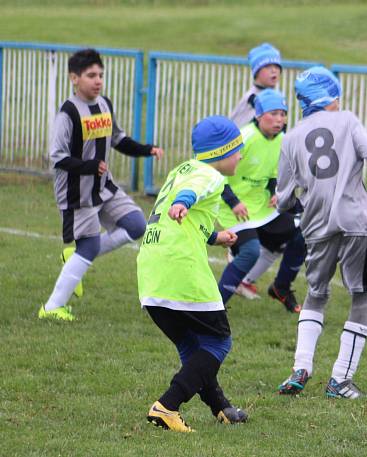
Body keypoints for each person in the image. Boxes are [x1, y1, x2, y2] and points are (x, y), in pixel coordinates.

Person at [275, 67, 367, 399]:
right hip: (354, 222)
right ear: (332, 97)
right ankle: (340, 378)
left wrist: (298, 204)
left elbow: (283, 198)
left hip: (316, 225)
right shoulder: (346, 120)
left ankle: (301, 366)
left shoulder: (291, 137)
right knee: (362, 295)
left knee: (316, 294)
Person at [138, 116, 248, 432]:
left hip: (151, 270)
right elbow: (192, 193)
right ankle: (167, 406)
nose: (240, 155)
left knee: (190, 346)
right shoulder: (209, 175)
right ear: (222, 152)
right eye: (237, 149)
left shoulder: (181, 169)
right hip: (180, 271)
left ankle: (221, 408)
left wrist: (214, 237)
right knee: (218, 342)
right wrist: (183, 203)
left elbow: (188, 216)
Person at [39, 48, 163, 322]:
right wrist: (89, 166)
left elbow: (117, 138)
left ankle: (76, 255)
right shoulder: (68, 113)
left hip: (104, 186)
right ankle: (51, 308)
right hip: (77, 193)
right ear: (74, 78)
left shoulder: (104, 104)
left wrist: (146, 149)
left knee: (137, 225)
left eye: (101, 75)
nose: (98, 81)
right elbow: (57, 158)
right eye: (91, 75)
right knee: (90, 247)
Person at [216, 89, 306, 312]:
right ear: (258, 115)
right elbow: (216, 173)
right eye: (273, 113)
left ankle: (281, 288)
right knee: (250, 251)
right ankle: (215, 306)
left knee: (302, 234)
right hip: (233, 209)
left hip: (263, 207)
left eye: (283, 114)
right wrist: (234, 201)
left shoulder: (283, 140)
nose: (279, 119)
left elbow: (271, 175)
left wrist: (277, 191)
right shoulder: (243, 138)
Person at [229, 43, 282, 127]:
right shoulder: (252, 99)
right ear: (256, 72)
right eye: (268, 66)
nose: (274, 70)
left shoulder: (278, 96)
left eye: (277, 66)